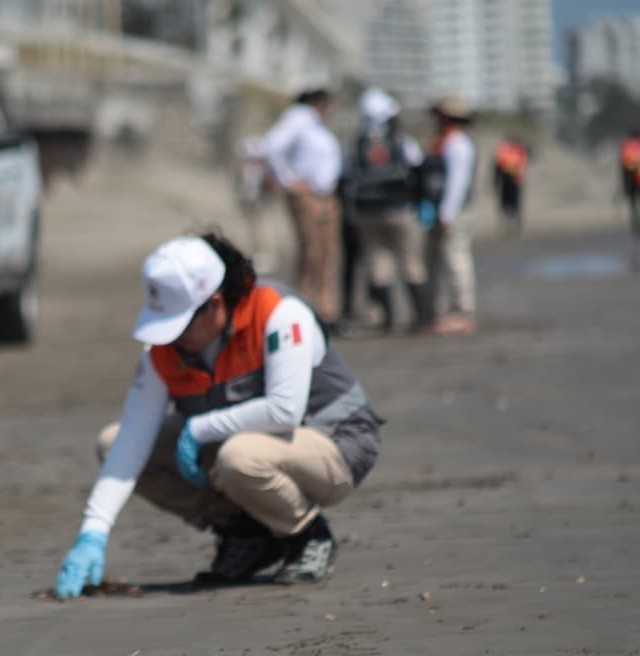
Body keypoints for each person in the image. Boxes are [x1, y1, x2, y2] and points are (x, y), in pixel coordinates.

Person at [53, 232, 381, 598]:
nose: (172, 337)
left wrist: (200, 428)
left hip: (337, 444)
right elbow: (131, 439)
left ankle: (307, 534)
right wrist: (93, 532)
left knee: (239, 458)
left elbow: (284, 410)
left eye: (181, 323)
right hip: (244, 449)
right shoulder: (164, 350)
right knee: (111, 442)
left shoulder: (278, 312)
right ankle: (246, 532)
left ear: (214, 304)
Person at [342, 88, 431, 335]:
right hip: (400, 209)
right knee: (411, 262)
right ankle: (421, 318)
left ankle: (389, 319)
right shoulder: (401, 141)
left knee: (379, 264)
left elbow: (345, 176)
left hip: (366, 213)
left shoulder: (355, 145)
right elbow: (417, 170)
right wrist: (421, 203)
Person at [262, 88, 343, 329]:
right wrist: (289, 180)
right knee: (312, 254)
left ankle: (325, 310)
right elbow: (271, 146)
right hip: (309, 196)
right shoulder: (300, 116)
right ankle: (302, 308)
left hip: (325, 196)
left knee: (327, 255)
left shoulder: (315, 125)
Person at [422, 95, 477, 336]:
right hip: (438, 212)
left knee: (456, 260)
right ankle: (440, 311)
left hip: (453, 212)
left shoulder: (458, 144)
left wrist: (446, 214)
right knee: (436, 263)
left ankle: (463, 311)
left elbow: (457, 183)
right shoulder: (444, 142)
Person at [492, 135, 528, 235]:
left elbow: (523, 164)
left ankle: (516, 225)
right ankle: (506, 224)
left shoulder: (519, 150)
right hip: (505, 179)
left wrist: (520, 177)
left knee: (515, 204)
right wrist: (496, 182)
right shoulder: (503, 151)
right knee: (505, 203)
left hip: (515, 179)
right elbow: (497, 167)